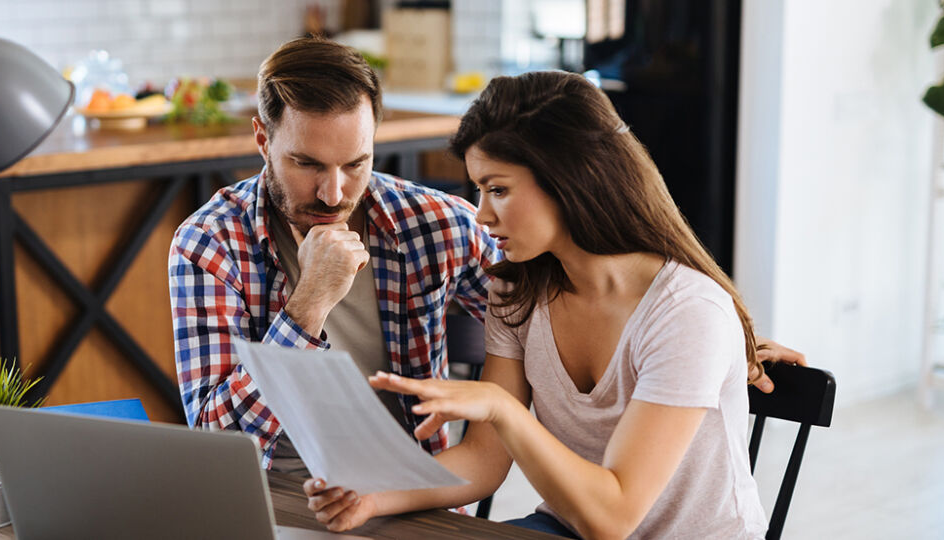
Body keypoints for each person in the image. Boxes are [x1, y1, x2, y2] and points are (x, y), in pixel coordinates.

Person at [303, 71, 804, 539]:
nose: (481, 215)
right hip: (567, 528)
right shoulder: (517, 293)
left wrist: (503, 410)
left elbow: (613, 516)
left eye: (498, 189)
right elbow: (482, 462)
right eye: (479, 190)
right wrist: (372, 494)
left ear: (570, 179)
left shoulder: (687, 313)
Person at [167, 37, 498, 474]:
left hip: (414, 497)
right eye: (307, 164)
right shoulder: (209, 244)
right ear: (263, 140)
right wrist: (308, 306)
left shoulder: (437, 224)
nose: (334, 194)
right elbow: (219, 446)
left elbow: (543, 328)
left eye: (355, 164)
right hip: (275, 499)